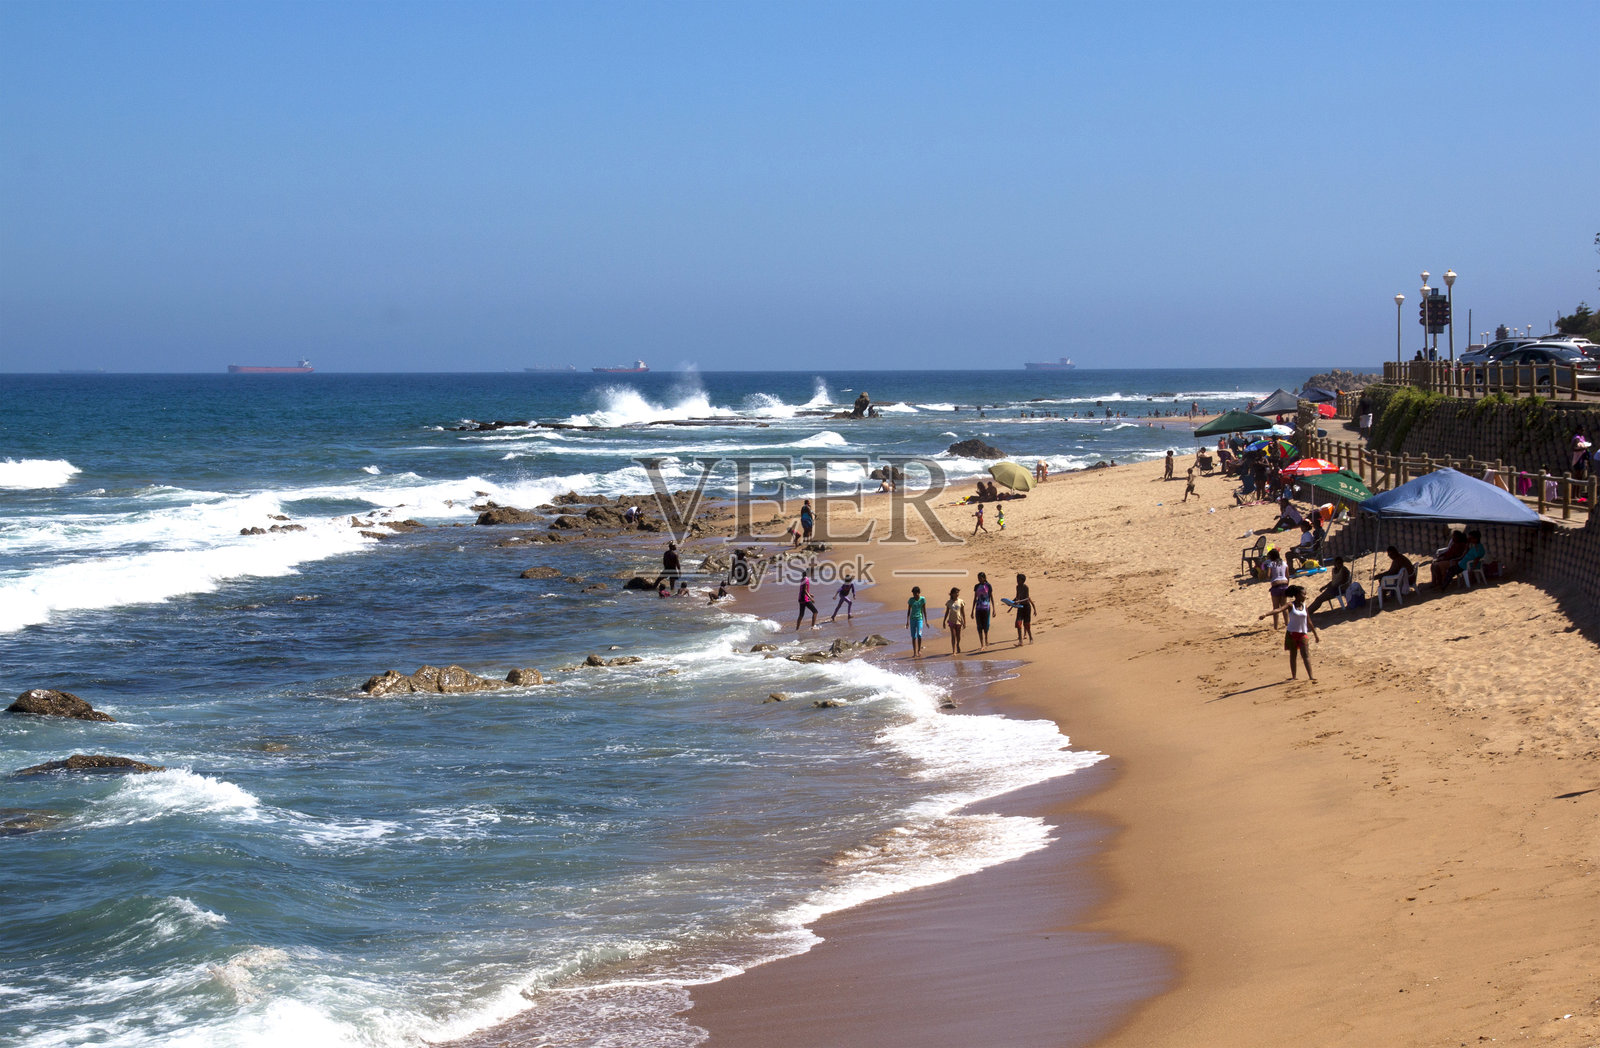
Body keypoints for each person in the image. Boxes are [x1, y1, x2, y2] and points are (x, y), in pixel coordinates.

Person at [1259, 584, 1319, 681]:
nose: (1305, 596)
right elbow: (1278, 610)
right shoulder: (1290, 605)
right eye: (1304, 594)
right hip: (1291, 634)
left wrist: (1315, 635)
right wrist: (1266, 614)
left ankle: (1311, 676)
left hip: (1303, 633)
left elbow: (1309, 621)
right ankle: (1294, 677)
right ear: (1298, 595)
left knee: (1306, 655)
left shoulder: (1305, 606)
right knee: (1293, 655)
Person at [1263, 548, 1290, 627]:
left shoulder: (1271, 564)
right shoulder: (1284, 563)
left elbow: (1268, 576)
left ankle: (1275, 626)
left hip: (1276, 586)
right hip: (1285, 585)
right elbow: (1288, 576)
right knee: (1284, 607)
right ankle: (1287, 624)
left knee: (1276, 608)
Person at [1011, 573, 1036, 646]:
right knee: (1018, 624)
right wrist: (1011, 602)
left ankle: (1031, 638)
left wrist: (1018, 601)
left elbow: (1027, 599)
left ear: (1022, 580)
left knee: (1026, 624)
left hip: (1026, 607)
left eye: (1018, 579)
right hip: (1020, 607)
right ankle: (1020, 641)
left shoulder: (1026, 587)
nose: (1017, 581)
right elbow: (1017, 597)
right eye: (1017, 579)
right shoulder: (1017, 587)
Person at [972, 572, 995, 649]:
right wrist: (972, 610)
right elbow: (975, 598)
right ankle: (982, 644)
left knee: (986, 625)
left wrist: (994, 609)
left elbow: (991, 597)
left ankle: (986, 639)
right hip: (978, 608)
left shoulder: (988, 586)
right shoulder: (976, 586)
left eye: (980, 578)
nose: (979, 579)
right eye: (978, 578)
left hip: (986, 608)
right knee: (979, 626)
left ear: (984, 578)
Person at [942, 587, 966, 655]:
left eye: (958, 592)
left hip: (959, 621)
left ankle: (958, 644)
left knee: (958, 636)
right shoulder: (949, 602)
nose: (957, 594)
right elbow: (947, 612)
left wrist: (964, 622)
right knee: (953, 635)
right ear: (952, 594)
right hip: (951, 621)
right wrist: (944, 621)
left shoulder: (961, 601)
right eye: (955, 593)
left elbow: (963, 613)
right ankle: (954, 650)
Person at [906, 585, 928, 657]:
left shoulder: (922, 599)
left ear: (919, 593)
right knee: (913, 637)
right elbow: (909, 611)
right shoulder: (911, 600)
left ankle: (919, 650)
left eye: (916, 593)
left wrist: (926, 621)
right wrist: (907, 622)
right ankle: (914, 652)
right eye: (914, 593)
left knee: (919, 634)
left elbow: (924, 610)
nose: (915, 595)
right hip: (912, 620)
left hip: (919, 619)